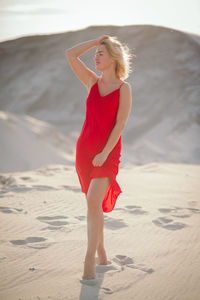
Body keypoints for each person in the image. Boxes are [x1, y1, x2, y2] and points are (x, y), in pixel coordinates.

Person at [66, 35, 133, 280]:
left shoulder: (124, 89)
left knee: (94, 199)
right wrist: (96, 41)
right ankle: (102, 250)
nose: (96, 57)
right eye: (96, 54)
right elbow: (70, 54)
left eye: (101, 54)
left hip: (108, 153)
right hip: (84, 152)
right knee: (92, 204)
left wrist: (104, 153)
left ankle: (89, 260)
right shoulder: (91, 83)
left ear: (114, 59)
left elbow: (121, 123)